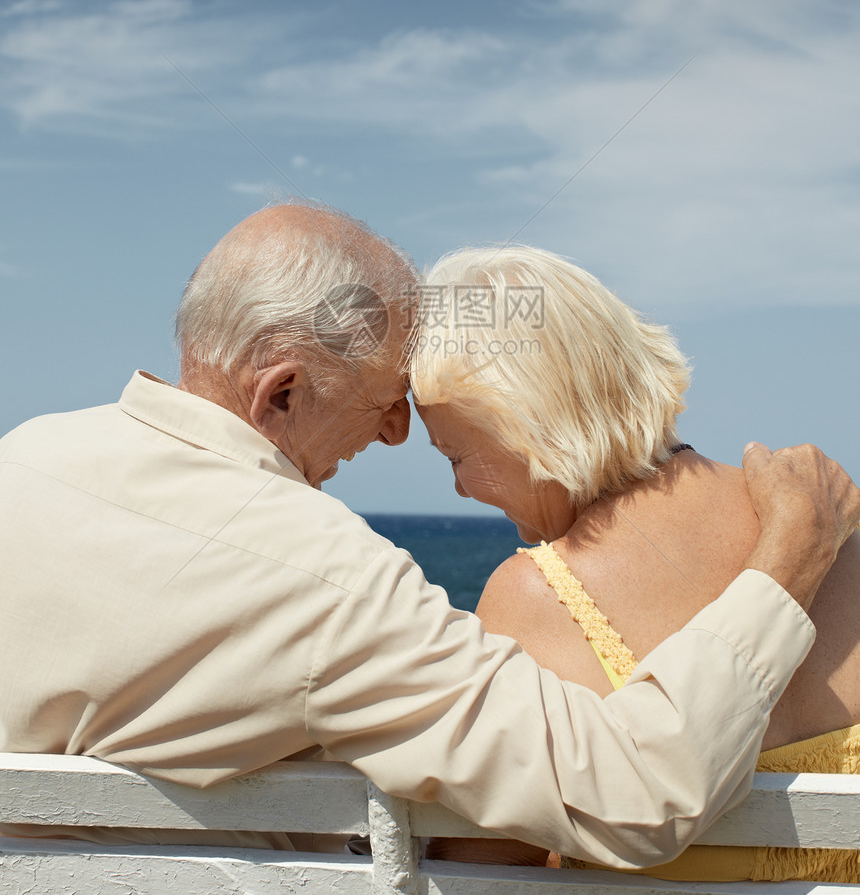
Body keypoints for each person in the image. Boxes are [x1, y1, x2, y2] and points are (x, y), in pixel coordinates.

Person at [0, 206, 857, 867]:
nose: (395, 439)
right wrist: (789, 557)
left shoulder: (23, 459)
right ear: (285, 392)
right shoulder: (324, 576)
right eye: (385, 405)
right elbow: (638, 792)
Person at [410, 243, 860, 881]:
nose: (458, 489)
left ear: (526, 424)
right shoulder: (828, 525)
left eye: (455, 455)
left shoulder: (538, 596)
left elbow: (482, 872)